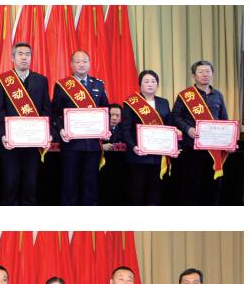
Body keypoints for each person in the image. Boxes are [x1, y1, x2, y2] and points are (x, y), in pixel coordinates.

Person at [51, 51, 111, 206]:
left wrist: (106, 129)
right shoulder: (62, 85)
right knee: (69, 183)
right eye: (78, 62)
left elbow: (105, 110)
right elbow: (55, 112)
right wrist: (61, 130)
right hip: (71, 144)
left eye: (85, 61)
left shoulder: (98, 84)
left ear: (89, 63)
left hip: (92, 145)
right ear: (71, 65)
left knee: (90, 184)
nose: (81, 64)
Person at [0, 43, 51, 206]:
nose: (24, 57)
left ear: (31, 57)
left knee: (30, 183)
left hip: (33, 142)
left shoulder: (41, 80)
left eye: (27, 54)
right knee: (10, 183)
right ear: (13, 58)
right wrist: (3, 134)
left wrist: (46, 132)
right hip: (10, 142)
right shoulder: (3, 80)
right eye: (20, 54)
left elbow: (46, 109)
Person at [172, 60, 232, 206]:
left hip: (213, 148)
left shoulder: (218, 95)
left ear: (212, 73)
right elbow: (175, 116)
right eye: (201, 72)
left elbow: (224, 119)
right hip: (192, 147)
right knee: (192, 184)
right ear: (194, 75)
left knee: (212, 183)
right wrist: (188, 129)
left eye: (208, 71)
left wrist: (229, 141)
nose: (205, 74)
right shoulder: (186, 95)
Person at [119, 70, 178, 206]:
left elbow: (169, 127)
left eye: (153, 81)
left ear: (157, 84)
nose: (150, 84)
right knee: (137, 189)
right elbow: (125, 129)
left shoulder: (163, 102)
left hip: (158, 155)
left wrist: (174, 147)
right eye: (146, 81)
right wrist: (133, 147)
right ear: (140, 84)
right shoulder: (131, 103)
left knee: (155, 189)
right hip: (138, 154)